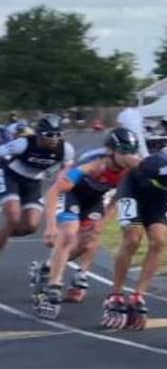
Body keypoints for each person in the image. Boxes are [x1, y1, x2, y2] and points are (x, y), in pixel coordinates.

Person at [32, 128, 141, 319]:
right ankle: (54, 286)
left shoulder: (129, 171)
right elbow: (54, 190)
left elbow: (118, 197)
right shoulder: (93, 165)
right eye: (124, 151)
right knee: (69, 233)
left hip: (94, 198)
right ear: (111, 151)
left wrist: (104, 221)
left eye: (132, 151)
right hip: (71, 194)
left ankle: (68, 271)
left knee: (91, 237)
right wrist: (50, 226)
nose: (128, 156)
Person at [101, 145, 167, 331]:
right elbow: (132, 163)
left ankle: (138, 295)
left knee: (159, 242)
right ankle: (116, 293)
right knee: (132, 239)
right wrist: (112, 203)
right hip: (133, 189)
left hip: (158, 197)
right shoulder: (165, 164)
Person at [0, 115, 75, 254]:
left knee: (31, 226)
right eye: (49, 135)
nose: (54, 138)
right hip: (11, 177)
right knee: (13, 216)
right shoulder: (23, 143)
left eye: (58, 134)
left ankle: (3, 234)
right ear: (39, 134)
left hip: (33, 183)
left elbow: (63, 175)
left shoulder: (66, 149)